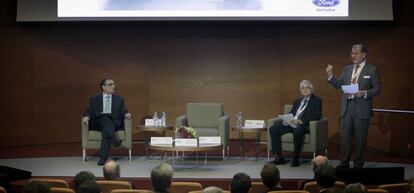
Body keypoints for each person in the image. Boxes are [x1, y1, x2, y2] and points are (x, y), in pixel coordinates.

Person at [326, 44, 381, 169]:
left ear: (363, 55)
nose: (353, 56)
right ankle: (344, 162)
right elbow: (338, 85)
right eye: (352, 53)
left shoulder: (372, 70)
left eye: (356, 53)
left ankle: (358, 164)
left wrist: (365, 93)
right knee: (345, 138)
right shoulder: (347, 69)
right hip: (347, 108)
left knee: (361, 139)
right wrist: (330, 75)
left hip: (362, 108)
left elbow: (378, 89)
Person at [269, 80, 322, 167]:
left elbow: (316, 115)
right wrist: (286, 120)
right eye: (302, 88)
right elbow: (292, 113)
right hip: (292, 123)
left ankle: (295, 158)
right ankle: (279, 157)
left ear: (312, 90)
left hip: (304, 125)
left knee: (297, 131)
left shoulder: (317, 100)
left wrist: (301, 121)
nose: (305, 90)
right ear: (300, 90)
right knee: (273, 128)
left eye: (307, 88)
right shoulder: (297, 101)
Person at [82, 78, 132, 166]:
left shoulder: (119, 99)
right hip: (98, 123)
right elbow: (89, 111)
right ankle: (115, 141)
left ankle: (103, 158)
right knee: (105, 118)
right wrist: (86, 117)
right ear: (103, 87)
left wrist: (127, 115)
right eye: (110, 84)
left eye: (114, 84)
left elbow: (124, 110)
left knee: (107, 128)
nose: (113, 86)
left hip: (113, 123)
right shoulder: (94, 99)